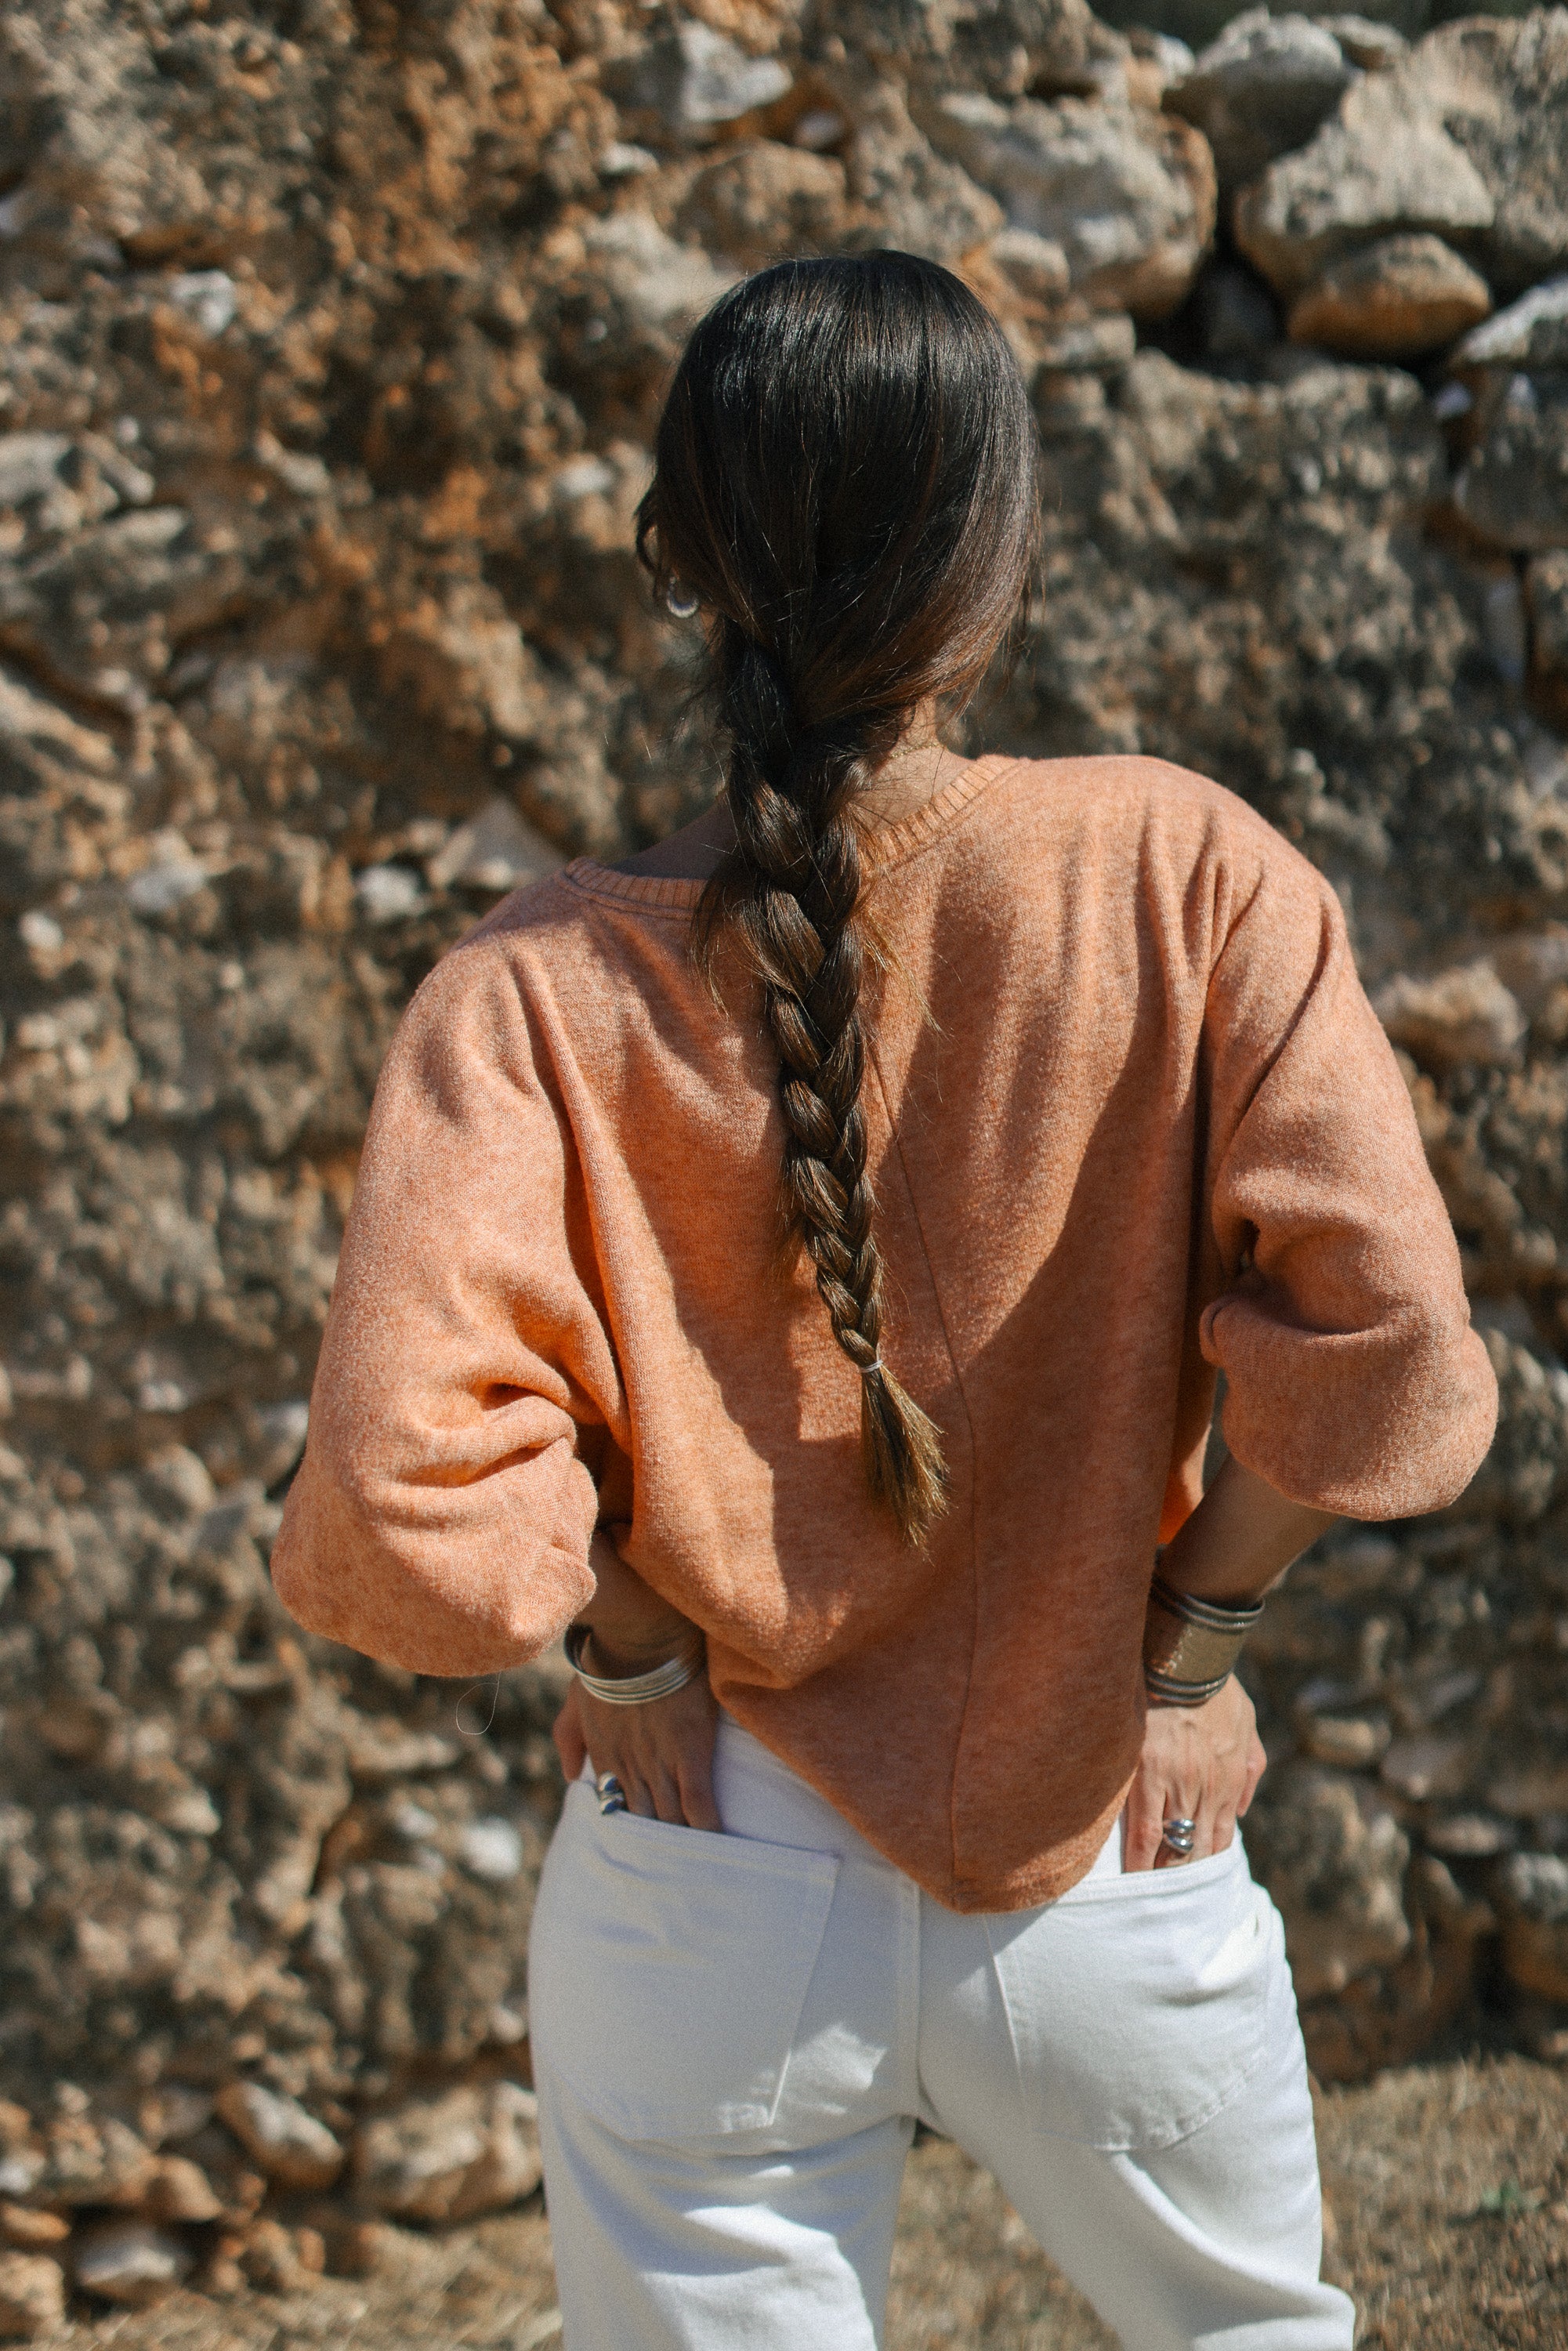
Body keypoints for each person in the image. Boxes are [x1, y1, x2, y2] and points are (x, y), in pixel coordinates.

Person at [271, 251, 1498, 2349]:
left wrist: (632, 1641)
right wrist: (1191, 1644)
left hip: (701, 1868)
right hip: (1107, 1830)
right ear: (999, 558)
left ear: (678, 560)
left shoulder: (529, 989)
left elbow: (401, 1487)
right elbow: (1385, 1342)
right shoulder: (1189, 871)